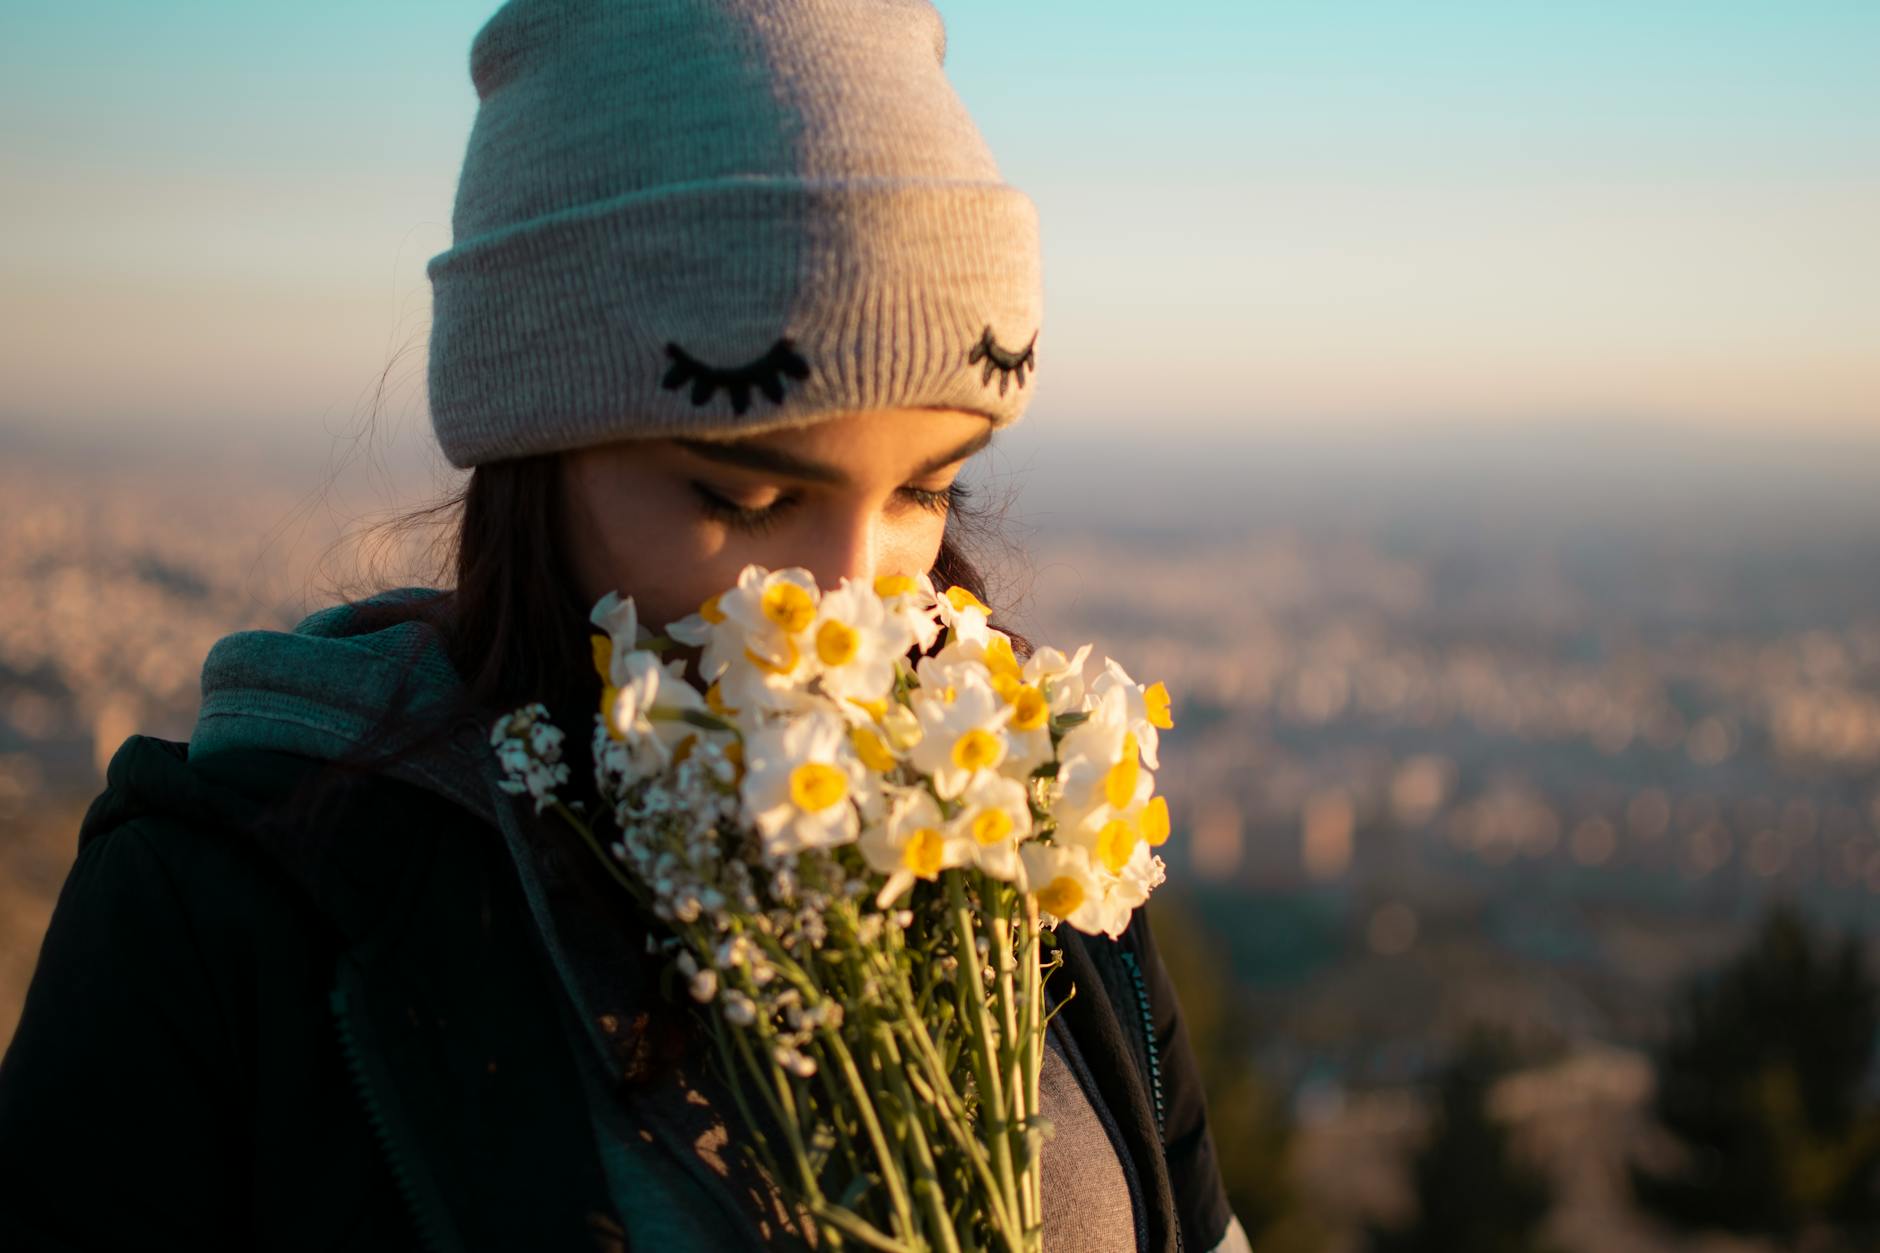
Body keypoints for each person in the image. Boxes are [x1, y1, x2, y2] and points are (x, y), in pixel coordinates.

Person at [0, 2, 1251, 1250]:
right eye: (745, 495)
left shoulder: (1024, 844)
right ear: (534, 454)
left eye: (927, 487)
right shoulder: (225, 917)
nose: (857, 599)